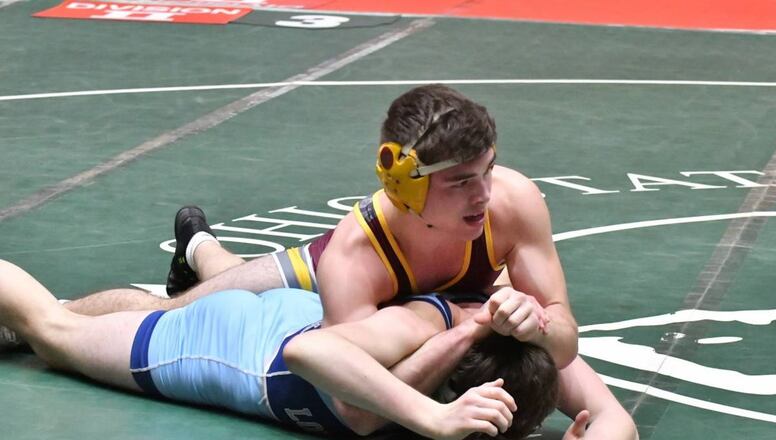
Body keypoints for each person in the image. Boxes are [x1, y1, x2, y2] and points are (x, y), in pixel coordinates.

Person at [5, 84, 637, 438]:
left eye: (489, 172)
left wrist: (536, 324)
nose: (485, 194)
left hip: (333, 322)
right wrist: (441, 406)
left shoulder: (508, 212)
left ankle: (204, 253)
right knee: (67, 328)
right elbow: (348, 400)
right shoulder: (375, 270)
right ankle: (189, 262)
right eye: (463, 182)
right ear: (410, 188)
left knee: (173, 307)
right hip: (270, 336)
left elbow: (575, 359)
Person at [0, 259, 558, 439]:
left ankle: (202, 251)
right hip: (224, 349)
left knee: (154, 308)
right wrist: (438, 414)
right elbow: (357, 408)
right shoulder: (428, 362)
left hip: (277, 318)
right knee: (52, 332)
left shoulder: (483, 348)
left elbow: (599, 411)